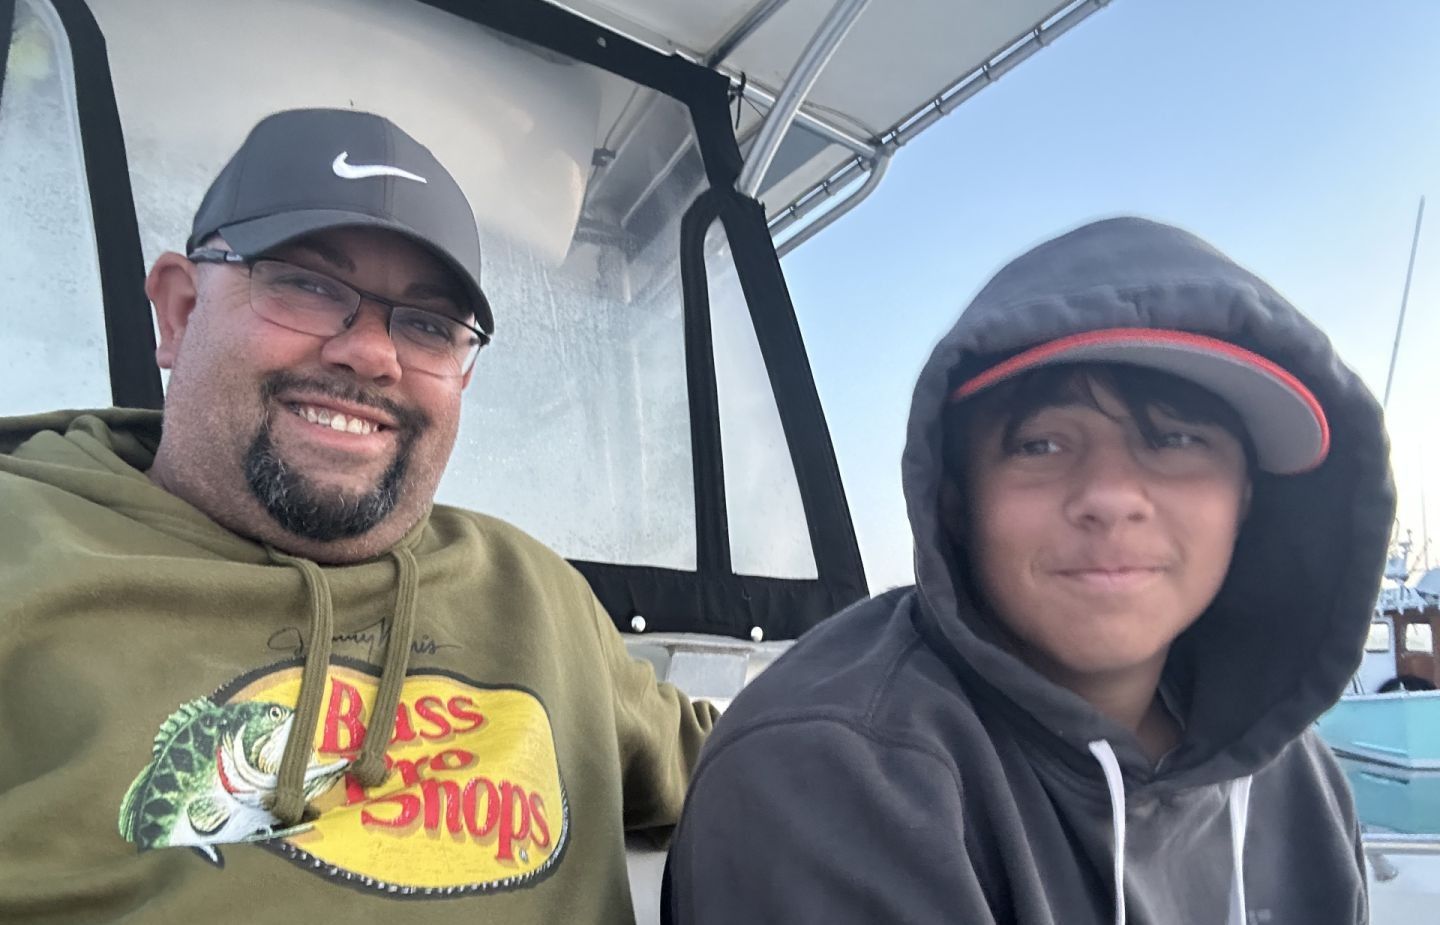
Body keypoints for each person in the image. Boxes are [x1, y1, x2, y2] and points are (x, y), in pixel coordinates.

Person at [0, 108, 716, 923]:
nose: (373, 354)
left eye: (427, 323)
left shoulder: (536, 593)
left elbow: (761, 760)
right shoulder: (21, 546)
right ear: (180, 309)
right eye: (307, 284)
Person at [663, 217, 1392, 924]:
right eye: (1040, 444)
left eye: (1174, 438)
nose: (1110, 496)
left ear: (1246, 499)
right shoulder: (827, 774)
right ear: (955, 500)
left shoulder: (1301, 783)